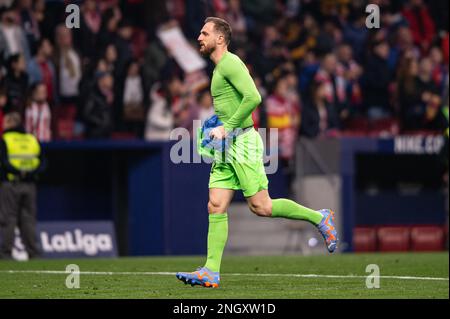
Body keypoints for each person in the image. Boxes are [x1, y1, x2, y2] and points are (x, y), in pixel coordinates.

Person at [176, 17, 338, 288]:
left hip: (242, 142)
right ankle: (211, 271)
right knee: (215, 204)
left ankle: (320, 217)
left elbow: (254, 97)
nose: (199, 37)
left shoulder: (230, 63)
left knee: (261, 206)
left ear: (220, 38)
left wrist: (226, 128)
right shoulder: (218, 69)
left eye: (204, 33)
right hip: (226, 147)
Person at [0, 112, 44, 260]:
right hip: (30, 184)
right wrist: (30, 173)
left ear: (11, 123)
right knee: (28, 220)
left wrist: (18, 172)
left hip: (11, 184)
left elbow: (4, 162)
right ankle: (34, 253)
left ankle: (5, 254)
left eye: (5, 122)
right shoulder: (32, 139)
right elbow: (43, 162)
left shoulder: (5, 139)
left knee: (8, 219)